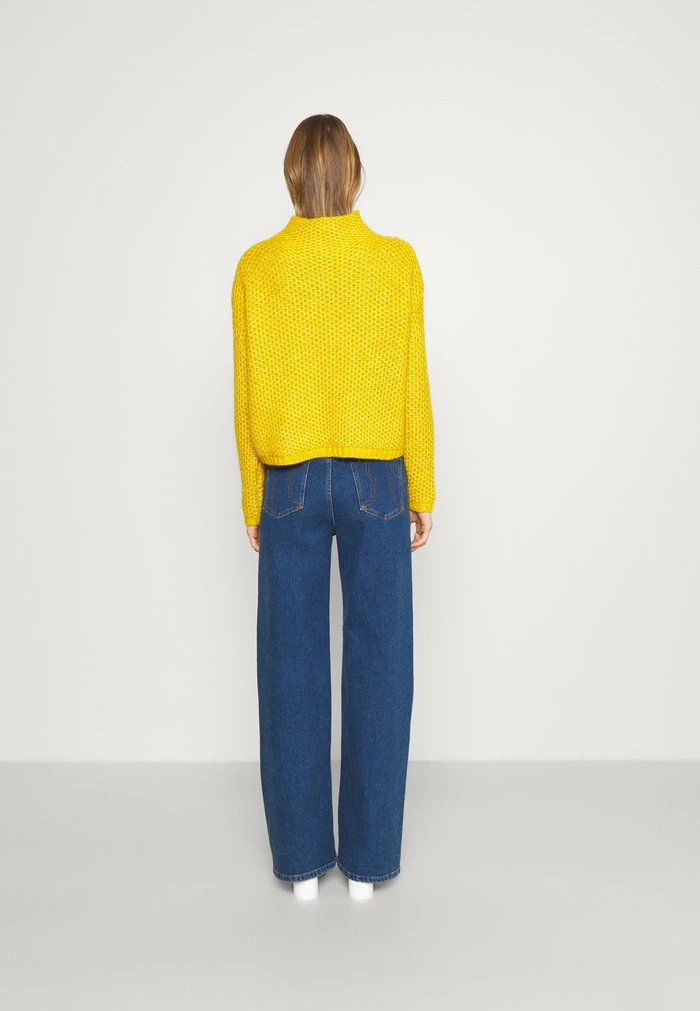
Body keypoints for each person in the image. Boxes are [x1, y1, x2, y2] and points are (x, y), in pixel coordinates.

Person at [231, 113, 436, 901]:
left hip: (288, 479)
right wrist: (422, 487)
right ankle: (370, 864)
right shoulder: (395, 262)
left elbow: (247, 391)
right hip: (377, 478)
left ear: (292, 175)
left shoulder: (257, 268)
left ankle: (301, 863)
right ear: (353, 174)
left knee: (288, 661)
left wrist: (253, 494)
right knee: (382, 658)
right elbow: (413, 379)